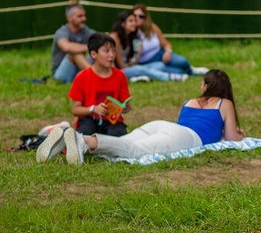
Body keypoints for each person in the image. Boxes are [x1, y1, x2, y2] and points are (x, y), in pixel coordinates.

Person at [37, 69, 245, 165]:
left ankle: (67, 137)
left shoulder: (189, 101)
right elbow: (232, 140)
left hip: (161, 126)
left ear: (204, 85)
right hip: (186, 137)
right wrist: (238, 134)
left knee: (124, 141)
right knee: (134, 151)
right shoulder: (224, 103)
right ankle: (81, 141)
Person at [110, 10, 188, 82]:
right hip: (119, 70)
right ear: (122, 23)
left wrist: (138, 53)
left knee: (160, 65)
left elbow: (133, 61)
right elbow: (120, 64)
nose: (134, 23)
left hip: (130, 66)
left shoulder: (133, 37)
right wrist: (132, 68)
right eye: (131, 21)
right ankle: (169, 77)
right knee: (139, 68)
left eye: (134, 21)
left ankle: (138, 77)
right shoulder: (115, 37)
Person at [132, 4, 207, 76]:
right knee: (178, 71)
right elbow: (132, 58)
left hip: (160, 54)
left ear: (146, 17)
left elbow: (166, 44)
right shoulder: (132, 33)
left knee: (182, 61)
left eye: (141, 16)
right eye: (135, 16)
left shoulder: (152, 27)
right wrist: (138, 53)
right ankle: (189, 73)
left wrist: (168, 52)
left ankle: (191, 70)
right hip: (147, 61)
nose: (137, 18)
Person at [51, 4, 96, 83]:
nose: (84, 18)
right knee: (74, 53)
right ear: (69, 18)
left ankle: (111, 75)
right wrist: (89, 47)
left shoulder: (85, 30)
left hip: (77, 71)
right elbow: (66, 47)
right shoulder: (62, 32)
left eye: (84, 16)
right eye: (80, 16)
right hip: (60, 74)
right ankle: (97, 78)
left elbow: (101, 40)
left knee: (97, 53)